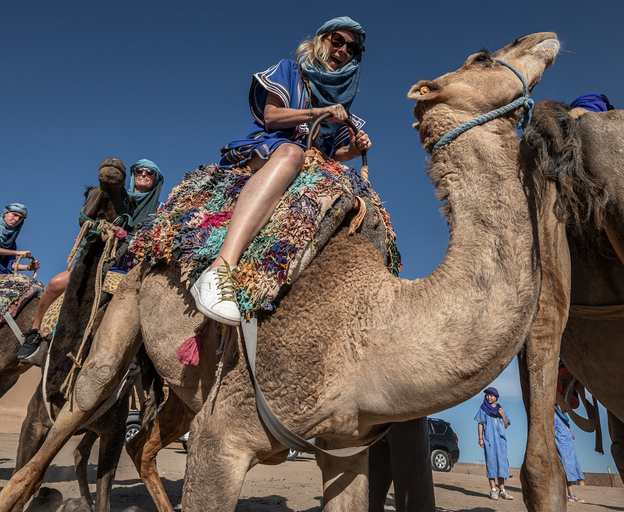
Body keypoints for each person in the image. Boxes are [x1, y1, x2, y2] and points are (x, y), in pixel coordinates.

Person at [191, 16, 372, 326]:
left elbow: (332, 154)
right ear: (322, 40)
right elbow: (272, 116)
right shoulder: (290, 71)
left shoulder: (342, 105)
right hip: (271, 149)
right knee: (292, 152)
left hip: (306, 163)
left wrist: (354, 149)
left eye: (352, 48)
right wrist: (317, 112)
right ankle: (220, 269)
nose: (343, 51)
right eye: (337, 41)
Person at [18, 159, 164, 361]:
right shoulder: (116, 197)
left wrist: (134, 241)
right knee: (54, 284)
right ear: (133, 174)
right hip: (96, 258)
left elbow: (161, 239)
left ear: (156, 180)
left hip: (131, 268)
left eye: (150, 173)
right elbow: (88, 218)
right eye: (140, 170)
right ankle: (34, 332)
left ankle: (135, 355)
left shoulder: (161, 210)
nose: (144, 175)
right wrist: (102, 228)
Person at [474, 387, 514, 500]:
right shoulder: (483, 409)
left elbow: (506, 425)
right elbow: (480, 423)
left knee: (502, 465)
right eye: (487, 395)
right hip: (489, 440)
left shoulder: (501, 409)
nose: (489, 397)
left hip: (500, 442)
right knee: (491, 464)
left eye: (491, 395)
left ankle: (503, 491)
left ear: (496, 397)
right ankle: (493, 490)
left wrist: (503, 416)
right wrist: (480, 438)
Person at [555, 404, 586, 503]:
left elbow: (564, 429)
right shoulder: (554, 415)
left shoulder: (564, 417)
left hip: (568, 447)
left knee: (569, 469)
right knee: (564, 469)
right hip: (561, 446)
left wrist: (570, 434)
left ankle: (571, 494)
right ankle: (568, 494)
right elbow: (553, 430)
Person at [0, 203, 41, 275]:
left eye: (20, 218)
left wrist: (28, 267)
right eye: (14, 215)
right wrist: (17, 252)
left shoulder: (11, 241)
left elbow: (9, 264)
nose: (16, 219)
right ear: (5, 213)